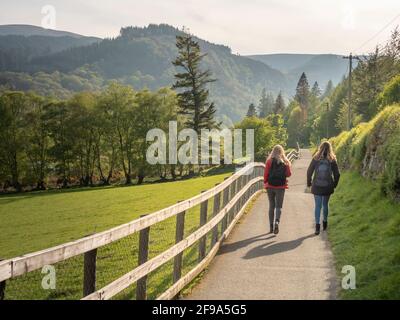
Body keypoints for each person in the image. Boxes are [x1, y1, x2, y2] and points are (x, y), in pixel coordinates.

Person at [307, 141, 340, 235]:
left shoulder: (316, 158)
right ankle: (325, 223)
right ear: (330, 149)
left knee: (318, 205)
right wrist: (334, 184)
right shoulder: (332, 159)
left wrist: (309, 183)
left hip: (316, 186)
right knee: (325, 205)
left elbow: (309, 171)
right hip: (327, 186)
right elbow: (337, 174)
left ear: (320, 147)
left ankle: (317, 226)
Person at [263, 145, 292, 234]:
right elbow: (289, 174)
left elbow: (265, 174)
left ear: (273, 151)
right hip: (281, 187)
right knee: (279, 206)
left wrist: (265, 182)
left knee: (271, 206)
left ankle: (271, 227)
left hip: (270, 186)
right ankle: (277, 222)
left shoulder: (269, 161)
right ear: (282, 151)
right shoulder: (286, 162)